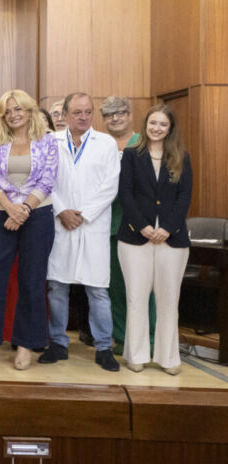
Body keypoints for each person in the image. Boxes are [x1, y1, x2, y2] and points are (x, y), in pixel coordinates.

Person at [0, 89, 58, 370]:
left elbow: (48, 179)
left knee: (32, 282)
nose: (14, 115)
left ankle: (26, 345)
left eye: (18, 109)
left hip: (38, 214)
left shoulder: (47, 139)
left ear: (29, 110)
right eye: (8, 111)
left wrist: (24, 210)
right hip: (2, 214)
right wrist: (10, 209)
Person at [41, 93, 121, 372]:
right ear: (64, 114)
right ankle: (58, 343)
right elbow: (45, 181)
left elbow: (110, 186)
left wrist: (84, 214)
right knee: (57, 287)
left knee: (98, 290)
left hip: (92, 225)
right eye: (77, 112)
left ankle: (103, 347)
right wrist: (61, 210)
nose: (83, 117)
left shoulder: (106, 143)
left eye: (88, 112)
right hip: (60, 223)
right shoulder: (51, 142)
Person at [118, 104, 192, 375]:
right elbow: (125, 193)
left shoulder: (181, 156)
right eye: (153, 123)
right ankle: (136, 354)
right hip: (135, 238)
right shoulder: (131, 155)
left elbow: (185, 196)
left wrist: (168, 228)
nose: (157, 128)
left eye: (163, 124)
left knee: (168, 300)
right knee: (137, 298)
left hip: (172, 240)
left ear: (170, 129)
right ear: (145, 125)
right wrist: (143, 226)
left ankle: (168, 358)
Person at [101, 95, 152, 353]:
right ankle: (122, 339)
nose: (115, 118)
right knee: (115, 288)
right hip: (107, 226)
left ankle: (149, 340)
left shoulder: (144, 144)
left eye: (120, 112)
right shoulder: (100, 145)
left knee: (144, 287)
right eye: (109, 115)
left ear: (130, 115)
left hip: (141, 226)